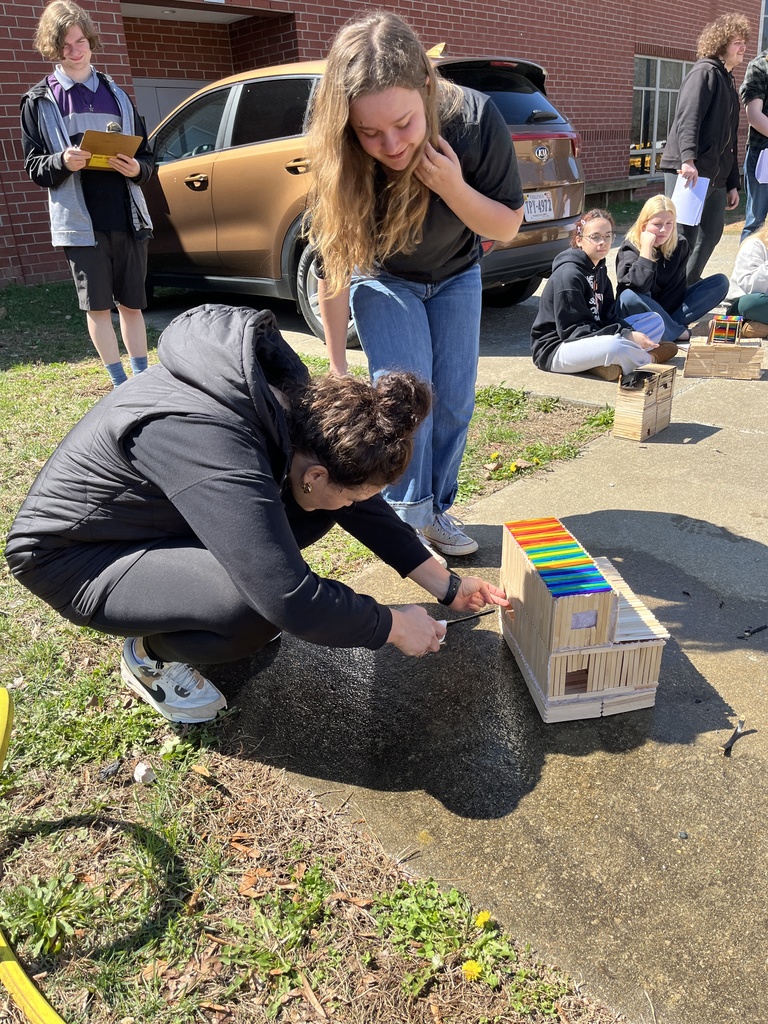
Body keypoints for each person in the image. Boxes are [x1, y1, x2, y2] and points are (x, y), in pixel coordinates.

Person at [5, 304, 509, 724]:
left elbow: (358, 499)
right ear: (314, 475)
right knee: (252, 607)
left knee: (303, 532)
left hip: (153, 523)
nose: (356, 506)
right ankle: (149, 656)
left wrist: (446, 585)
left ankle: (185, 599)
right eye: (352, 495)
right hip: (75, 557)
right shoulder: (208, 437)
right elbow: (287, 597)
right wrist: (392, 625)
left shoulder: (296, 412)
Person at [304, 11, 524, 564]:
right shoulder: (343, 148)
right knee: (404, 403)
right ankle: (406, 518)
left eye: (403, 123)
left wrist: (452, 185)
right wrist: (336, 361)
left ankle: (436, 510)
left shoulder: (474, 119)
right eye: (370, 132)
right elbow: (335, 254)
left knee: (452, 404)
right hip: (385, 279)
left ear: (427, 88)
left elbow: (505, 225)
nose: (391, 144)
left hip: (456, 274)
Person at [21, 0, 154, 389]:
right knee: (98, 308)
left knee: (132, 305)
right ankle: (120, 385)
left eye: (81, 41)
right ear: (52, 47)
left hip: (126, 217)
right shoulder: (38, 101)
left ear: (91, 42)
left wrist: (138, 169)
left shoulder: (118, 94)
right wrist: (62, 160)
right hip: (81, 226)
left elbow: (147, 156)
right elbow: (34, 167)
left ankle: (143, 380)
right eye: (65, 45)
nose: (75, 51)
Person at [530, 209, 674, 382]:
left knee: (654, 321)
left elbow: (609, 316)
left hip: (593, 337)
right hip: (557, 349)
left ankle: (605, 365)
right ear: (579, 241)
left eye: (607, 236)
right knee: (615, 346)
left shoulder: (599, 270)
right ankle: (650, 359)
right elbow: (573, 332)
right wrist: (626, 335)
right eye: (595, 236)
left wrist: (627, 332)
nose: (603, 242)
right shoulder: (568, 275)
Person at [659, 13, 750, 285]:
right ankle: (669, 293)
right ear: (720, 44)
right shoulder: (705, 72)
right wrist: (688, 159)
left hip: (715, 175)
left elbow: (729, 141)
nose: (743, 47)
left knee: (711, 232)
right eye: (736, 42)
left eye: (744, 41)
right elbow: (688, 118)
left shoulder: (728, 80)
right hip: (689, 171)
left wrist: (733, 182)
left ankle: (686, 287)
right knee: (683, 236)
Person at [615, 195, 729, 342]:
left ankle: (669, 328)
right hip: (641, 309)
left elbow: (676, 290)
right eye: (657, 224)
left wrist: (666, 317)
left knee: (720, 282)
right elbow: (638, 288)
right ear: (644, 225)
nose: (663, 230)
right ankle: (677, 332)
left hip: (668, 309)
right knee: (629, 296)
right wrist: (646, 249)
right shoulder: (629, 248)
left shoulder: (680, 245)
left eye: (669, 223)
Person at [740, 46, 768, 240]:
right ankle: (746, 271)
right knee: (755, 222)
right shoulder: (759, 67)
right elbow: (754, 116)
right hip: (763, 155)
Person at [724, 222, 768, 336]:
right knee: (751, 303)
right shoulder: (754, 245)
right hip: (745, 305)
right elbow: (752, 286)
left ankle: (758, 328)